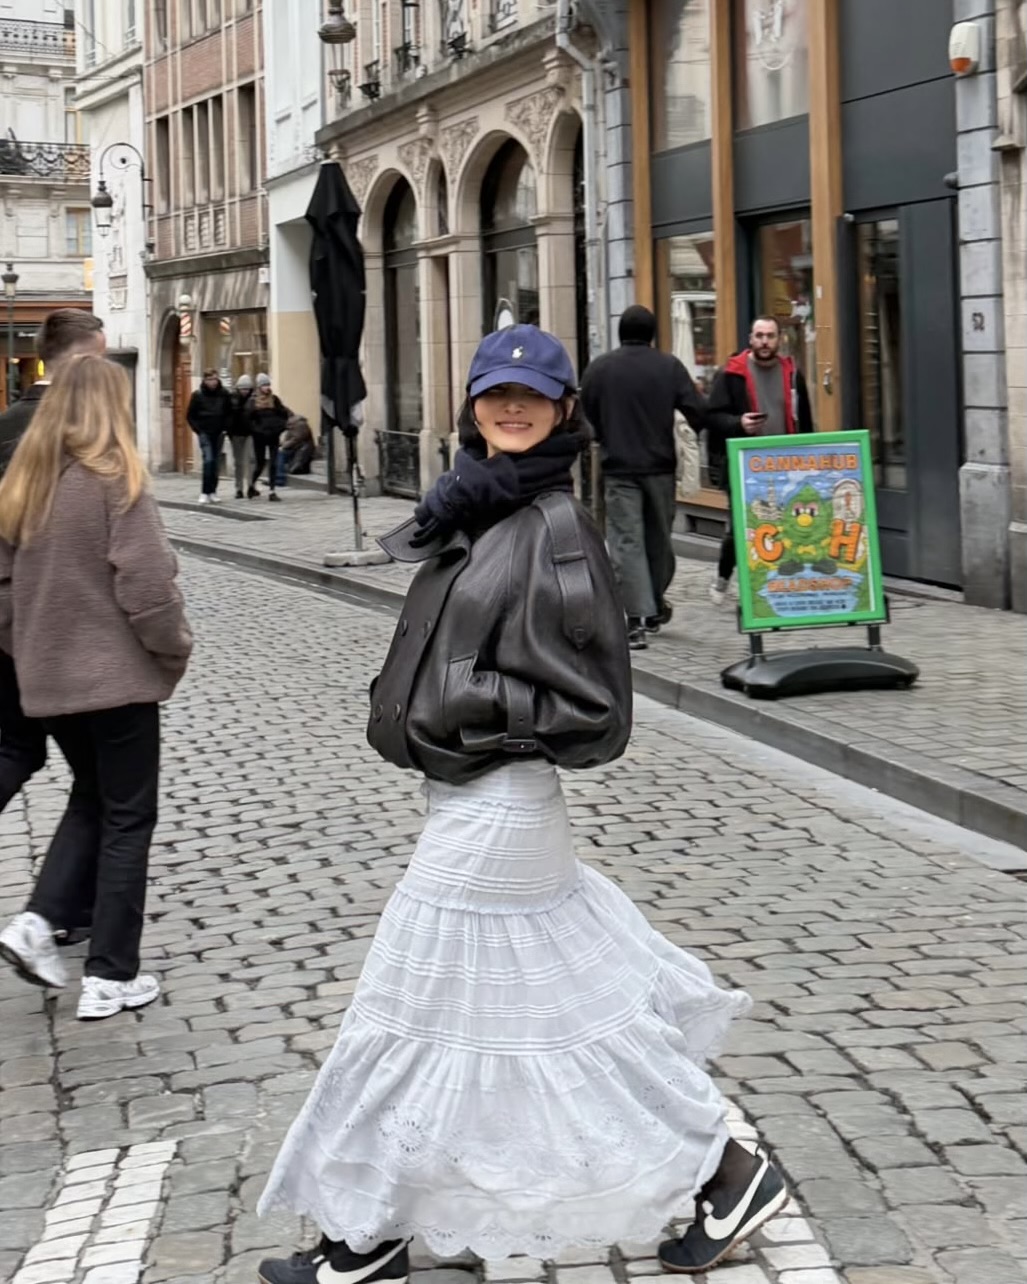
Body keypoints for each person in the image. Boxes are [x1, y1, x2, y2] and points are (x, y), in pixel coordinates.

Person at [254, 325, 786, 1284]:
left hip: (499, 802)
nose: (512, 408)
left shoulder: (554, 528)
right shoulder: (483, 504)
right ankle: (721, 1172)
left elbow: (597, 709)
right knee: (543, 1011)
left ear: (563, 411)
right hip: (473, 796)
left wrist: (466, 697)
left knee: (405, 1010)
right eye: (495, 393)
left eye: (532, 397)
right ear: (471, 404)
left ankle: (364, 1238)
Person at [0, 355, 192, 1018]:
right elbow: (146, 588)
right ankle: (111, 973)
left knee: (93, 799)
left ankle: (38, 920)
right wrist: (173, 650)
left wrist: (25, 645)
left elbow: (1, 592)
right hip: (117, 684)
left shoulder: (24, 484)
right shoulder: (117, 480)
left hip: (48, 682)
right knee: (129, 816)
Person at [0, 310, 106, 948]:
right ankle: (64, 911)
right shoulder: (66, 430)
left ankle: (75, 907)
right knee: (103, 784)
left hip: (13, 627)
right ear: (75, 359)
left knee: (18, 748)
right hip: (44, 630)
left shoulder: (7, 421)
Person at [580, 305, 706, 652]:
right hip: (660, 467)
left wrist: (602, 434)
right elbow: (696, 409)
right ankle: (650, 605)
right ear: (652, 334)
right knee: (659, 538)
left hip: (619, 466)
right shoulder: (669, 367)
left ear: (621, 332)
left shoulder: (600, 368)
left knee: (626, 541)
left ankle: (637, 617)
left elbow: (582, 414)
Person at [705, 316, 814, 605]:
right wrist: (738, 423)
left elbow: (806, 420)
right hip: (745, 464)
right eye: (759, 335)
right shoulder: (731, 374)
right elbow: (712, 418)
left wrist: (808, 458)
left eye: (770, 336)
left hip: (786, 464)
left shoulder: (791, 374)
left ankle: (774, 585)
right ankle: (723, 577)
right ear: (750, 339)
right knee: (741, 527)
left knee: (786, 526)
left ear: (779, 340)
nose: (765, 341)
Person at [186, 367, 233, 505]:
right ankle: (204, 492)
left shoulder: (224, 394)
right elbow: (190, 416)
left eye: (215, 379)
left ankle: (213, 491)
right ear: (205, 380)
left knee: (216, 463)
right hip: (204, 432)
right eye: (210, 379)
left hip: (219, 432)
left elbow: (229, 413)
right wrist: (198, 430)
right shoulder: (198, 395)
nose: (213, 382)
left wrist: (225, 428)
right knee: (208, 460)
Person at [248, 373, 290, 502]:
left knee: (274, 463)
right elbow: (249, 420)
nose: (267, 387)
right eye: (264, 385)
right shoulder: (253, 402)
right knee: (260, 463)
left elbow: (284, 414)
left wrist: (280, 427)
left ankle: (272, 491)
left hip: (273, 436)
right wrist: (257, 430)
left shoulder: (275, 400)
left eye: (268, 384)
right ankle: (252, 485)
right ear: (259, 387)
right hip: (259, 437)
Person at [229, 373, 258, 499]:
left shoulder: (253, 400)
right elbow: (229, 417)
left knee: (251, 460)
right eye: (242, 389)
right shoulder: (232, 400)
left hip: (249, 433)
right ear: (238, 388)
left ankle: (251, 486)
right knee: (238, 463)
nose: (245, 391)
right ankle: (239, 488)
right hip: (235, 434)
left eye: (247, 389)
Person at [276, 414, 315, 487]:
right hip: (296, 448)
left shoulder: (299, 424)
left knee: (280, 453)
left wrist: (283, 446)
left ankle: (279, 478)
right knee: (277, 453)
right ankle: (277, 477)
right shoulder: (292, 425)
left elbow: (297, 439)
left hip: (301, 449)